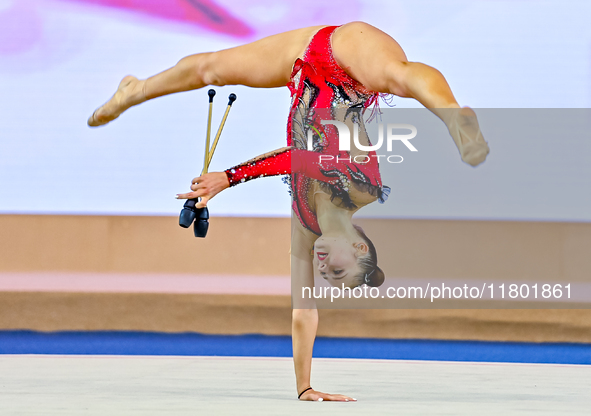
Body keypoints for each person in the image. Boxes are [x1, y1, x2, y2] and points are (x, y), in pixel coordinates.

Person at [88, 22, 489, 401]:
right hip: (346, 61)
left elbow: (303, 310)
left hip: (301, 63)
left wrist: (305, 388)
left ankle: (134, 90)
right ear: (360, 248)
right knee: (396, 76)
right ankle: (454, 115)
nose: (323, 266)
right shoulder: (364, 187)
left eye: (326, 274)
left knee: (210, 70)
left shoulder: (305, 223)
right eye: (338, 269)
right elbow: (306, 158)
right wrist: (228, 178)